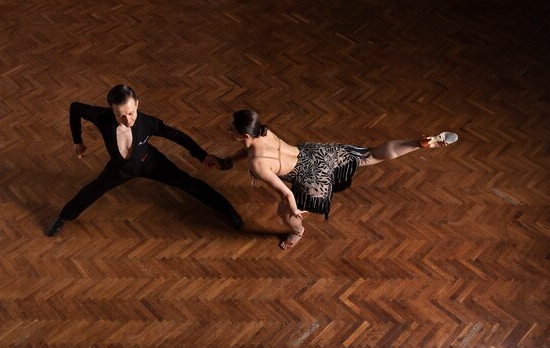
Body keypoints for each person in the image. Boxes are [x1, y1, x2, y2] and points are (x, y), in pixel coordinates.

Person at [216, 109, 458, 249]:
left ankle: (297, 233)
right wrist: (228, 161)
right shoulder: (264, 131)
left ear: (244, 134)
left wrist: (295, 211)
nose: (227, 131)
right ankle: (416, 144)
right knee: (372, 154)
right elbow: (250, 148)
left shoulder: (258, 164)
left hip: (311, 177)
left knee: (285, 213)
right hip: (316, 153)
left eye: (230, 129)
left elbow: (287, 193)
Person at [46, 84, 242, 236]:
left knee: (188, 183)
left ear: (137, 104)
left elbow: (176, 135)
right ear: (112, 111)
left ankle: (228, 210)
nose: (128, 120)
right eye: (121, 116)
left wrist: (201, 155)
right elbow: (75, 108)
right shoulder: (101, 117)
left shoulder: (147, 123)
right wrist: (77, 140)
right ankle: (63, 217)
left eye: (131, 113)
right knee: (93, 190)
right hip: (120, 168)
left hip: (151, 163)